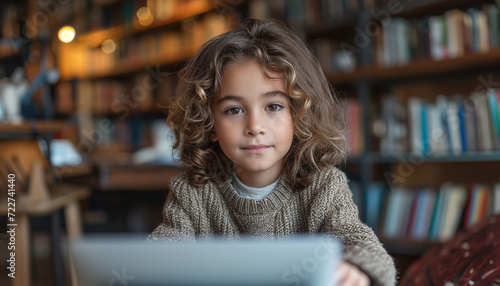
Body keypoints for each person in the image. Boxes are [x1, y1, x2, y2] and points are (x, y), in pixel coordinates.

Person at [148, 18, 396, 286]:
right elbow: (160, 258)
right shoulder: (191, 192)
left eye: (273, 106)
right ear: (210, 125)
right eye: (234, 110)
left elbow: (359, 242)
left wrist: (355, 269)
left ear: (299, 114)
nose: (255, 127)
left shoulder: (324, 185)